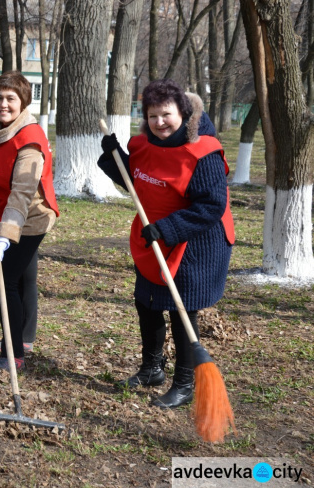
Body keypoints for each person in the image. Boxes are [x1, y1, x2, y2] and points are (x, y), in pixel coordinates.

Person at [97, 78, 234, 409]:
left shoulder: (202, 153)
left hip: (194, 243)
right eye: (153, 115)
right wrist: (114, 157)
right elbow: (138, 179)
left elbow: (211, 207)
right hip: (152, 237)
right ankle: (151, 369)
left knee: (182, 311)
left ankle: (185, 383)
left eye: (167, 114)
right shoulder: (145, 144)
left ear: (183, 113)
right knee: (147, 302)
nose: (160, 122)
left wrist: (169, 228)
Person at [0, 71, 59, 373]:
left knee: (4, 280)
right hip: (5, 206)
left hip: (31, 216)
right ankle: (24, 338)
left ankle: (11, 352)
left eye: (11, 98)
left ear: (23, 101)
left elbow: (23, 192)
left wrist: (5, 235)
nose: (3, 104)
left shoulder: (30, 140)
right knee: (25, 276)